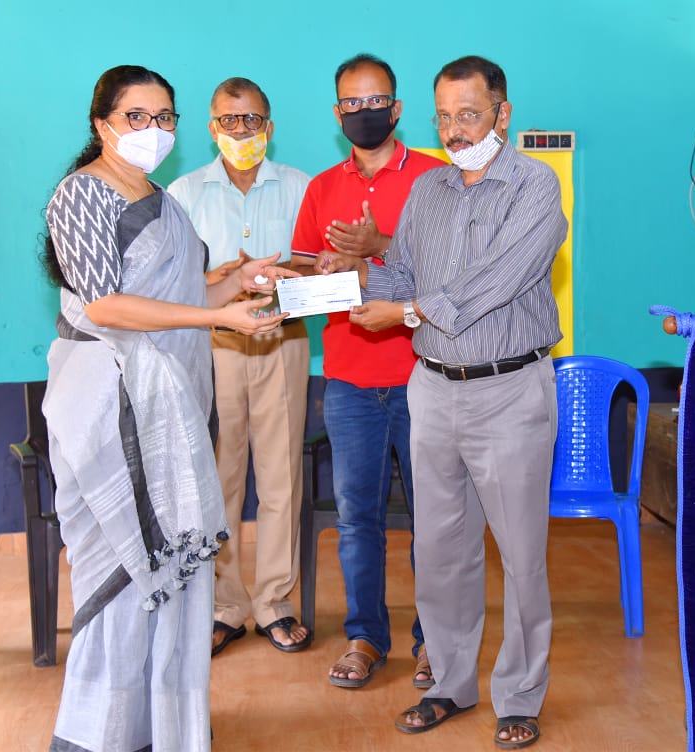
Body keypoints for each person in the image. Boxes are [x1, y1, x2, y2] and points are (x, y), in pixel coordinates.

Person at [42, 65, 294, 752]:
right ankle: (101, 734)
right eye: (136, 116)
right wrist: (219, 319)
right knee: (126, 572)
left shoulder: (163, 202)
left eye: (164, 117)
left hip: (171, 404)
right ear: (102, 123)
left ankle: (160, 726)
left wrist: (237, 284)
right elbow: (105, 306)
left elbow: (183, 300)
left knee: (175, 573)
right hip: (111, 405)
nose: (152, 130)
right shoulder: (81, 194)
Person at [323, 54, 566, 750]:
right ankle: (451, 684)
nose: (456, 130)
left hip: (509, 390)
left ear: (502, 114)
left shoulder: (535, 186)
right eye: (445, 117)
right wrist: (355, 276)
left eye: (470, 114)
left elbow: (497, 280)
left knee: (520, 557)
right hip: (431, 388)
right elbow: (402, 273)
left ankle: (518, 695)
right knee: (439, 551)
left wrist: (404, 311)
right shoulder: (428, 189)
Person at [288, 53, 444, 689]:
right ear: (337, 113)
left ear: (397, 108)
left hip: (426, 376)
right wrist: (311, 270)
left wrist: (379, 249)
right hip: (350, 380)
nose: (365, 112)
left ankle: (435, 642)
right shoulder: (322, 187)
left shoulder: (436, 179)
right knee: (357, 520)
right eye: (352, 104)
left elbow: (454, 277)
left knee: (435, 519)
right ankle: (365, 637)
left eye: (376, 101)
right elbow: (304, 267)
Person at [168, 77, 313, 655]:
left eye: (251, 119)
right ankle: (224, 606)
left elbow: (319, 267)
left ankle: (275, 603)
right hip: (214, 347)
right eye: (229, 120)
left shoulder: (301, 187)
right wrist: (223, 276)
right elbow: (170, 282)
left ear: (268, 127)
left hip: (283, 340)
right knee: (219, 480)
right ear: (212, 128)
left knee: (281, 478)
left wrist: (286, 275)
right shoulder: (183, 193)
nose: (241, 130)